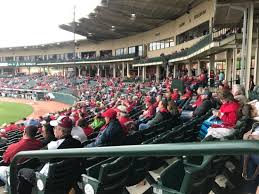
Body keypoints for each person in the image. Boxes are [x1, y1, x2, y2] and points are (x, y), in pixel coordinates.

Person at [17, 116, 82, 194]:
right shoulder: (77, 141)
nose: (53, 129)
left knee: (22, 171)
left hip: (47, 180)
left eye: (55, 128)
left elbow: (38, 156)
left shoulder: (54, 145)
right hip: (66, 180)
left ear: (61, 131)